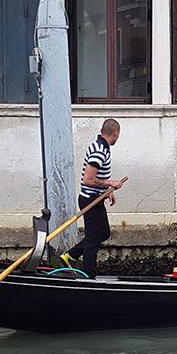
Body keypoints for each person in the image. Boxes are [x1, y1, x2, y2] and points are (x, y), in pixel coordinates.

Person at [61, 119, 123, 279]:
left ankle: (71, 256)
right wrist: (110, 183)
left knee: (103, 233)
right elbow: (88, 179)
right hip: (90, 200)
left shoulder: (101, 146)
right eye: (118, 135)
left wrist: (108, 191)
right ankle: (89, 275)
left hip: (96, 197)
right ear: (116, 133)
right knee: (93, 238)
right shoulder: (99, 151)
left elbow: (97, 176)